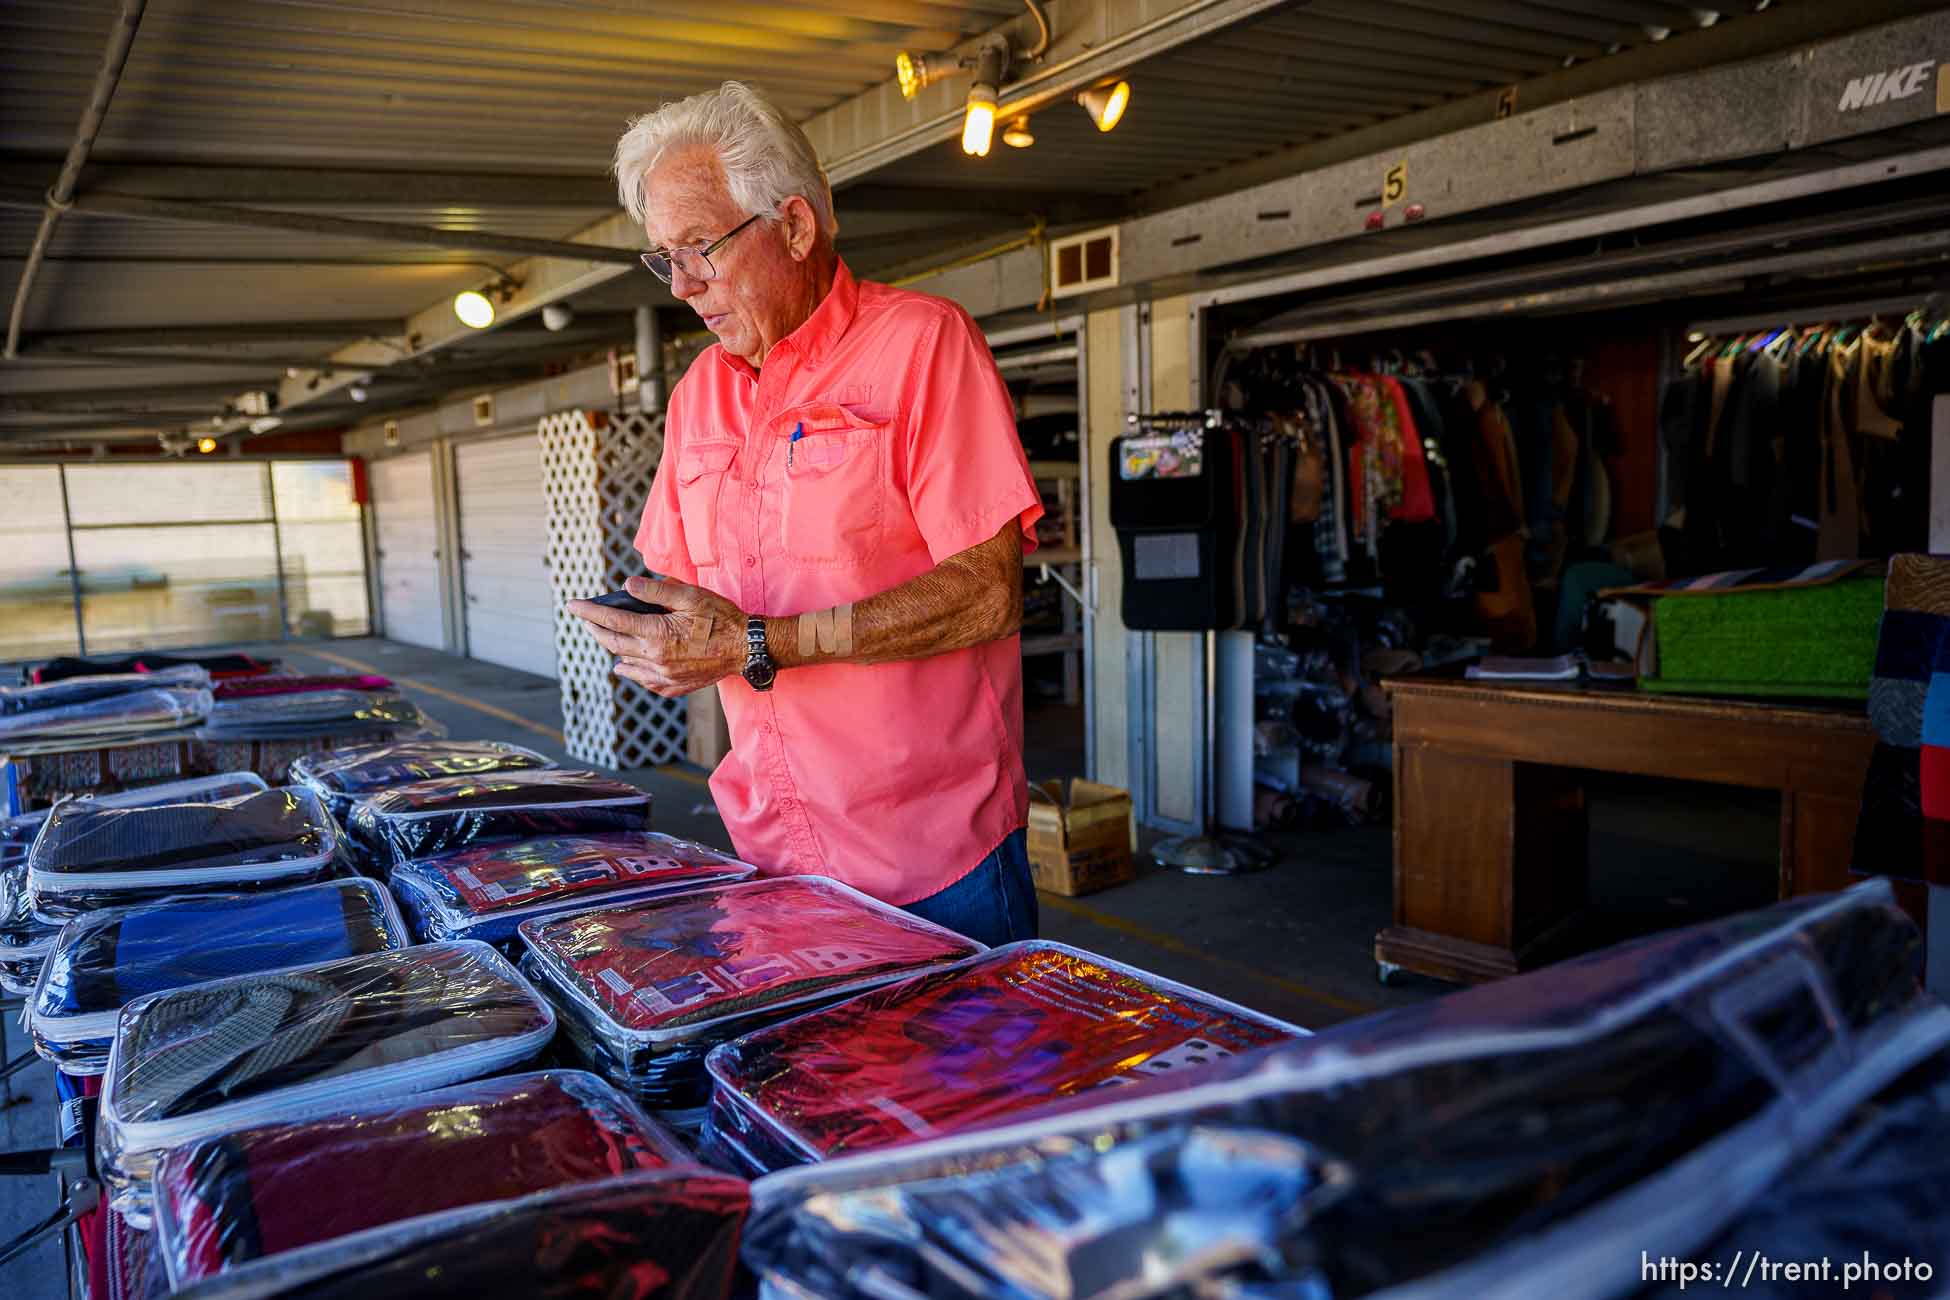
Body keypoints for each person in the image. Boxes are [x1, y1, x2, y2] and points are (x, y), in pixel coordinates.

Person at [568, 81, 1044, 948]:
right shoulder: (697, 397)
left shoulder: (922, 345)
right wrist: (656, 639)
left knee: (969, 1085)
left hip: (934, 860)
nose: (681, 285)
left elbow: (986, 596)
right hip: (774, 856)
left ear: (793, 225)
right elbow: (685, 593)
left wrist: (761, 643)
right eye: (663, 257)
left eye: (700, 248)